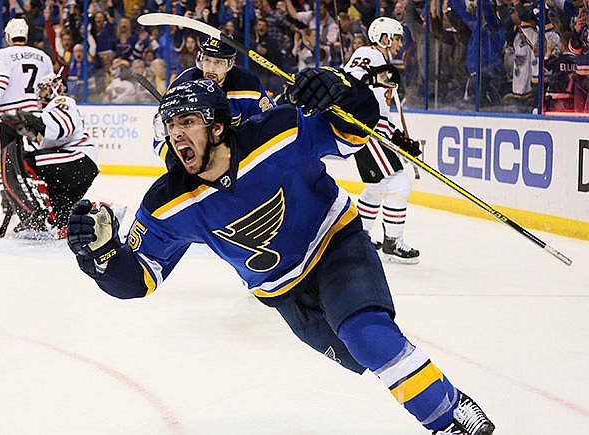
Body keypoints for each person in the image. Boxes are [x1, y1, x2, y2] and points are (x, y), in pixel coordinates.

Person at [66, 72, 496, 435]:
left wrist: (343, 87)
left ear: (217, 126)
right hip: (284, 294)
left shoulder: (280, 133)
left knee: (366, 335)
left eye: (188, 121)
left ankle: (446, 419)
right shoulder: (168, 202)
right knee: (365, 358)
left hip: (334, 247)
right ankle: (446, 401)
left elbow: (356, 128)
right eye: (170, 125)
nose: (176, 133)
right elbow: (138, 280)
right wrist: (101, 258)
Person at [343, 17, 422, 264]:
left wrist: (398, 139)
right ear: (384, 38)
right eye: (397, 38)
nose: (400, 43)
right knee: (399, 183)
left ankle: (360, 239)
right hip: (367, 129)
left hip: (370, 128)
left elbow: (380, 108)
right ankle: (393, 243)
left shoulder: (379, 61)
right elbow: (352, 80)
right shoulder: (370, 54)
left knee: (376, 187)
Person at [0, 71, 99, 235]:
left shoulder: (62, 101)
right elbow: (48, 138)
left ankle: (35, 216)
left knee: (25, 163)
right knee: (61, 221)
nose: (41, 94)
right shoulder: (47, 113)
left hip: (78, 160)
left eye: (45, 89)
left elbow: (62, 127)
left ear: (56, 88)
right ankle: (96, 213)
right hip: (74, 170)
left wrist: (30, 120)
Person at [0, 18, 54, 220]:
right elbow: (50, 89)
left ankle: (15, 205)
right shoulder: (43, 57)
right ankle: (45, 205)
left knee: (9, 166)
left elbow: (0, 82)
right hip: (37, 120)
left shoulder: (2, 55)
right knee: (36, 164)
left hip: (11, 120)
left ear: (8, 36)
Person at [153, 37, 274, 161]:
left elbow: (272, 123)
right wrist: (177, 163)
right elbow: (160, 137)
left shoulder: (248, 85)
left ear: (231, 64)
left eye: (218, 63)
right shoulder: (183, 86)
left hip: (240, 161)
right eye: (207, 61)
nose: (211, 69)